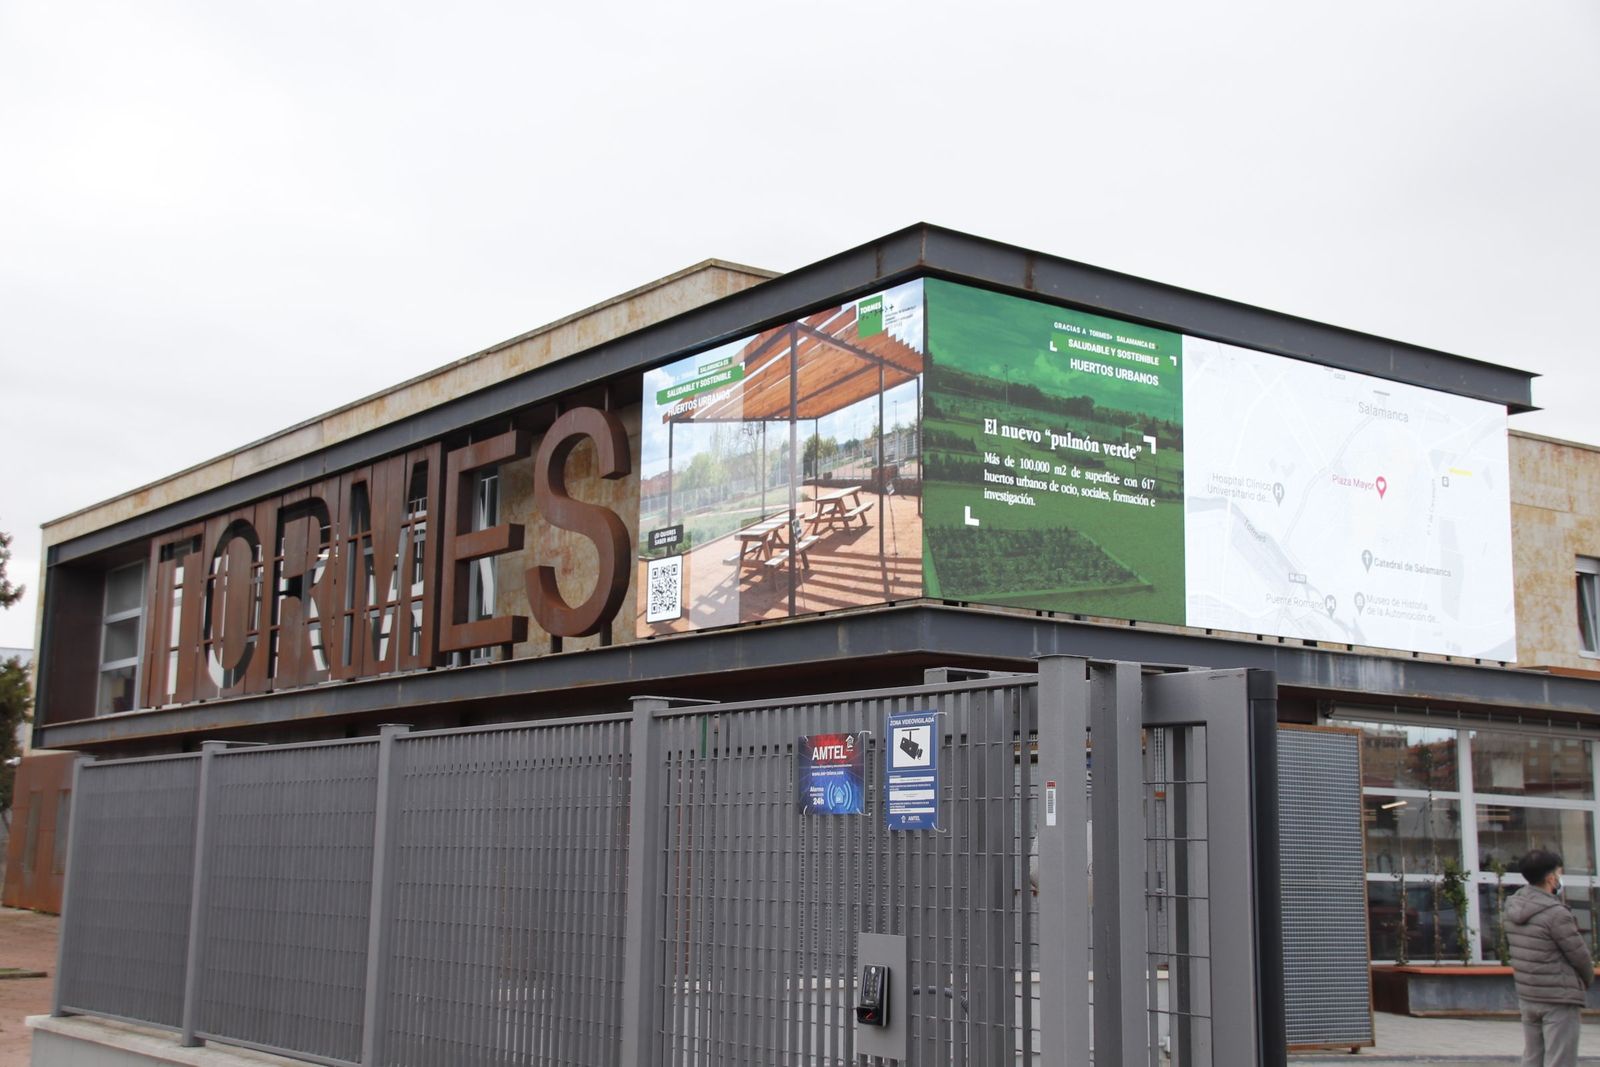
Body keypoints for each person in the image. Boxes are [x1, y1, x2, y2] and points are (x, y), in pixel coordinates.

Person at [1506, 849, 1595, 1067]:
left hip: (1529, 994)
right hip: (1558, 996)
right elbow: (1579, 956)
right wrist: (1587, 979)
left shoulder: (1514, 906)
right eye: (1559, 873)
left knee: (1533, 1057)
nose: (1559, 877)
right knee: (1560, 1059)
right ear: (1550, 878)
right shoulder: (1556, 913)